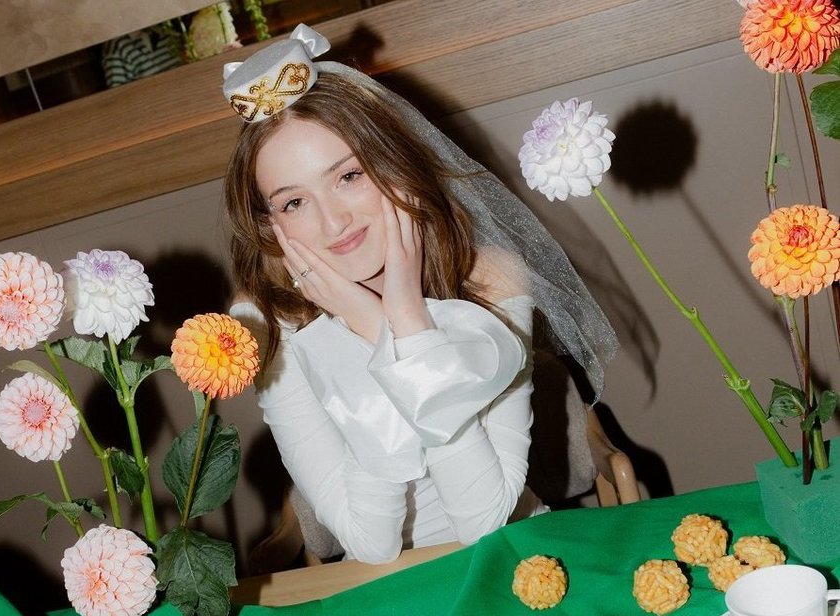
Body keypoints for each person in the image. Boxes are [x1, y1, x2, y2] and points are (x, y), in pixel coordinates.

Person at [223, 25, 618, 563]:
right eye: (294, 202)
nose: (333, 222)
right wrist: (375, 330)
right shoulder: (265, 320)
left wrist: (407, 324)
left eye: (349, 176)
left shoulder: (493, 278)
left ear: (394, 166)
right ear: (270, 225)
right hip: (385, 586)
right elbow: (370, 542)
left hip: (516, 559)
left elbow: (484, 520)